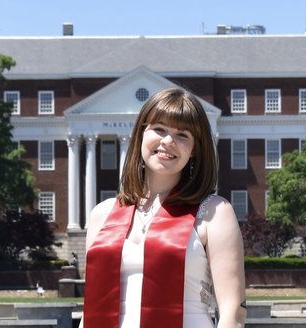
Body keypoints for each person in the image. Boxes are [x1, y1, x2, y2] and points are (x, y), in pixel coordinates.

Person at [80, 88, 246, 328]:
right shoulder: (102, 214)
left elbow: (233, 312)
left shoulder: (213, 213)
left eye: (182, 135)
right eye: (159, 129)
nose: (167, 141)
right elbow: (90, 308)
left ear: (194, 150)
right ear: (140, 135)